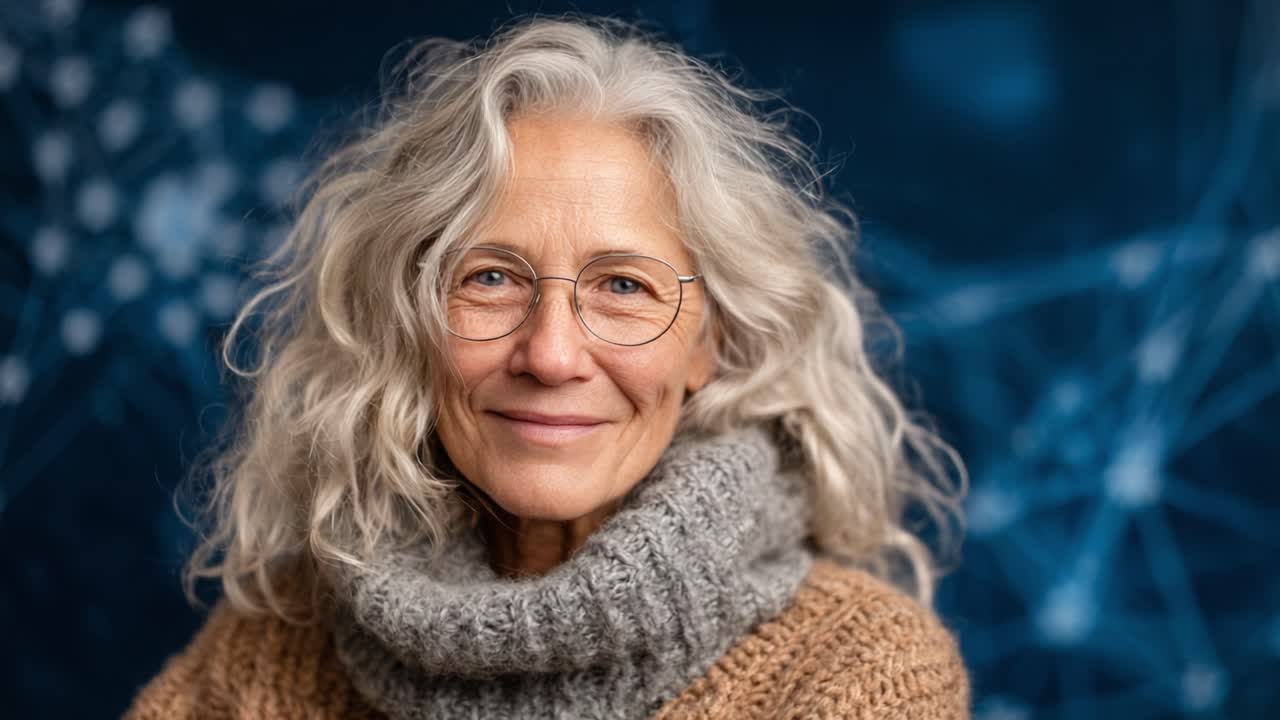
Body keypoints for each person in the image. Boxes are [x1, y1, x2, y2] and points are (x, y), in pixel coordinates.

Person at [125, 14, 971, 720]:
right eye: (489, 278)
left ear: (709, 346)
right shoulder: (269, 645)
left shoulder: (855, 672)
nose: (553, 354)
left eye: (625, 287)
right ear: (405, 319)